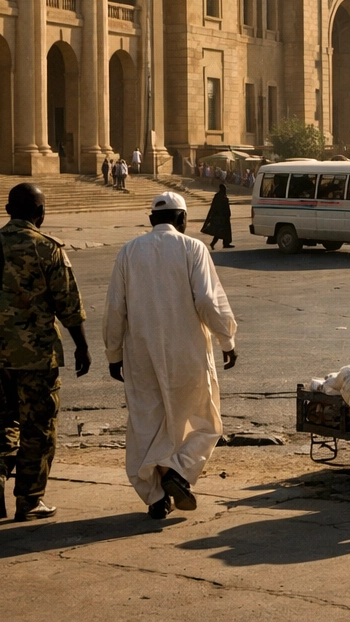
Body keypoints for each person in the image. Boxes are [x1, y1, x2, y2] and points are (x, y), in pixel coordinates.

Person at [0, 183, 90, 522]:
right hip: (38, 356)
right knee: (38, 426)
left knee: (3, 417)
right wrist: (82, 345)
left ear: (7, 209)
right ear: (40, 214)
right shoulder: (49, 249)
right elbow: (68, 305)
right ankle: (28, 499)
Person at [105, 192, 239, 519]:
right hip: (188, 355)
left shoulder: (128, 252)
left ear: (152, 220)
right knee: (203, 421)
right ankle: (178, 472)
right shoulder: (192, 248)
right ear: (182, 220)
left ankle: (156, 495)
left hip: (142, 356)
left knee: (147, 425)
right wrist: (227, 340)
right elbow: (208, 301)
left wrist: (113, 354)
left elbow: (115, 309)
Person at [202, 183, 233, 249]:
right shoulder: (219, 196)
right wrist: (221, 216)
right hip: (221, 217)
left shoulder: (222, 196)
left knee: (223, 231)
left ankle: (226, 243)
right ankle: (215, 243)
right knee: (220, 231)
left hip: (225, 217)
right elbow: (217, 207)